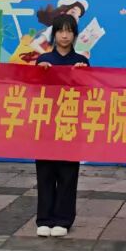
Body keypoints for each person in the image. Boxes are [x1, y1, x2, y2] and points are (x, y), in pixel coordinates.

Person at [34, 13, 89, 238]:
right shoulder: (44, 60)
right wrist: (40, 73)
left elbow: (87, 96)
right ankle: (44, 219)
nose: (64, 35)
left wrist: (83, 75)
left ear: (74, 35)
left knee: (68, 174)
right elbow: (34, 92)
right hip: (46, 124)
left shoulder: (81, 61)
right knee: (45, 173)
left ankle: (63, 220)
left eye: (69, 31)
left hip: (70, 123)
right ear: (54, 34)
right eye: (60, 31)